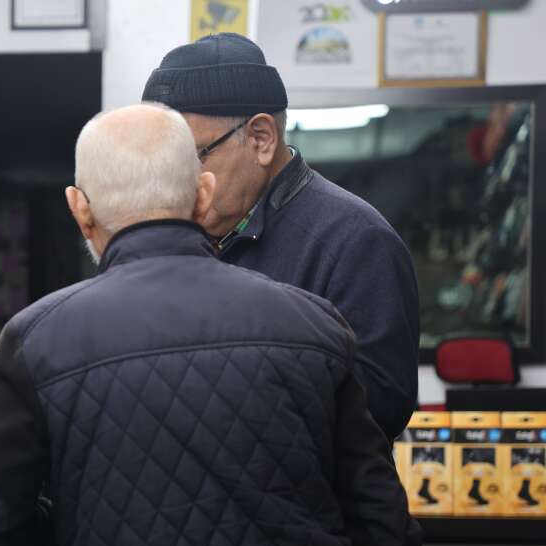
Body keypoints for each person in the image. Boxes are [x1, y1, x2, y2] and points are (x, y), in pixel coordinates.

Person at [0, 105, 429, 546]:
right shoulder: (313, 323)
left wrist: (60, 543)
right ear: (202, 195)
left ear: (80, 209)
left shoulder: (38, 340)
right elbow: (383, 525)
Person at [142, 33, 420, 439]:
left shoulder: (356, 242)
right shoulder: (182, 233)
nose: (176, 183)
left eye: (191, 158)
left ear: (261, 139)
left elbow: (380, 408)